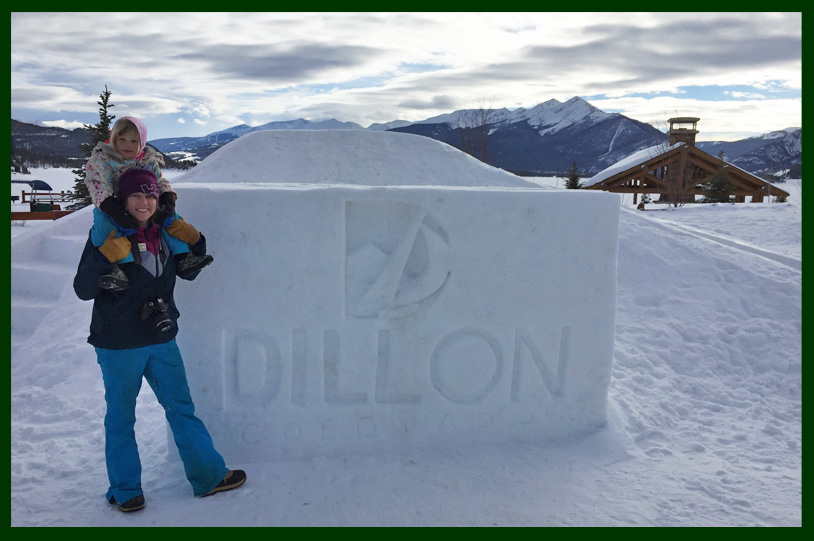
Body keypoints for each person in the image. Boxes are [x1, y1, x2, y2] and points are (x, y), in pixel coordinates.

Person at [73, 168, 245, 513]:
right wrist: (104, 256)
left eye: (150, 195)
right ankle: (125, 490)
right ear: (123, 200)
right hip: (119, 344)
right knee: (121, 417)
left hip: (161, 339)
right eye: (136, 195)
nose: (144, 202)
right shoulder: (106, 236)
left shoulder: (165, 235)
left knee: (182, 409)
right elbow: (83, 289)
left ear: (157, 200)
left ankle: (208, 476)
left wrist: (196, 240)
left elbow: (190, 270)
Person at [84, 116, 212, 291]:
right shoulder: (103, 159)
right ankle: (117, 267)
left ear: (142, 142)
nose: (127, 144)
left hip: (142, 205)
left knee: (171, 220)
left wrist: (167, 196)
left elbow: (159, 181)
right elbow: (97, 183)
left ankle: (183, 256)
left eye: (133, 141)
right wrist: (109, 205)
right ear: (114, 139)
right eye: (122, 139)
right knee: (103, 224)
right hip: (112, 204)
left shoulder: (147, 160)